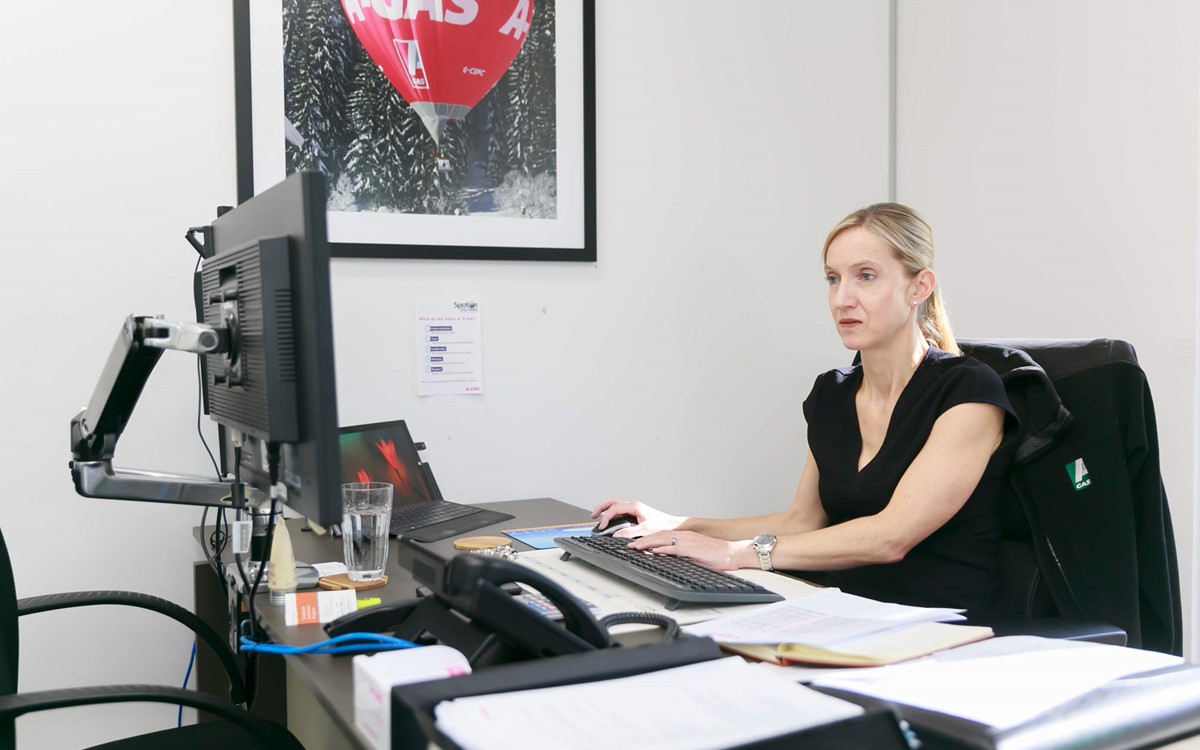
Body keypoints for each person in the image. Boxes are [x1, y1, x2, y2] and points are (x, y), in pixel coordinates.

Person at [592, 203, 1016, 619]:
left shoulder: (969, 391)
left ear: (919, 287)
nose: (842, 299)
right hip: (839, 612)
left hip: (942, 630)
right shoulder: (832, 393)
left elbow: (891, 537)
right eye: (833, 279)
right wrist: (680, 526)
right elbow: (803, 520)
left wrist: (736, 554)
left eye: (866, 276)